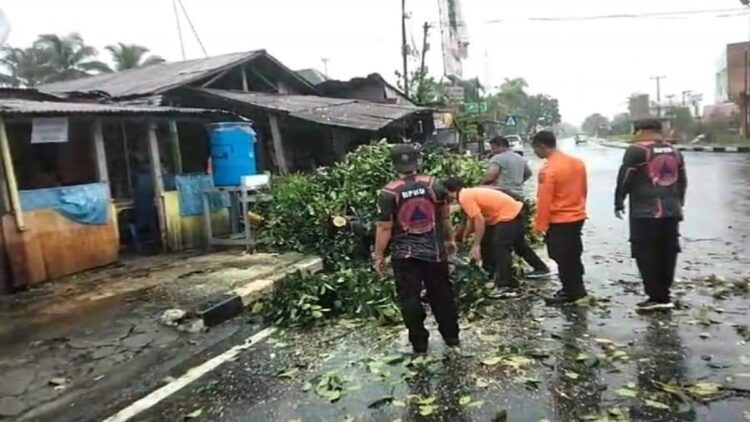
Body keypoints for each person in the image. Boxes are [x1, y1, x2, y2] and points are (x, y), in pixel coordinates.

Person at [374, 144, 459, 354]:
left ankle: (419, 344)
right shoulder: (434, 185)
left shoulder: (389, 192)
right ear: (417, 161)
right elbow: (445, 217)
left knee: (409, 298)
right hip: (435, 252)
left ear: (394, 165)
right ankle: (451, 337)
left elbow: (384, 228)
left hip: (404, 255)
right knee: (442, 294)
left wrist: (379, 256)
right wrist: (450, 240)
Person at [615, 119, 687, 311]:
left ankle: (656, 296)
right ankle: (664, 294)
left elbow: (625, 178)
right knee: (668, 251)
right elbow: (682, 182)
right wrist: (679, 205)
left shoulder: (636, 150)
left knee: (646, 252)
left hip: (644, 213)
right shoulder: (675, 151)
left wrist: (618, 201)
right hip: (670, 211)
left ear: (640, 131)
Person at [444, 180, 550, 297]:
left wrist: (476, 245)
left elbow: (479, 221)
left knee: (500, 247)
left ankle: (505, 285)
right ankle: (540, 268)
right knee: (516, 244)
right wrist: (464, 237)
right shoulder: (467, 194)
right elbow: (471, 220)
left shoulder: (465, 197)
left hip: (508, 216)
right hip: (513, 213)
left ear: (450, 192)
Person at [531, 131, 589, 305]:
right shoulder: (577, 163)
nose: (535, 152)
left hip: (559, 219)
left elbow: (544, 199)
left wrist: (540, 226)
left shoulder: (548, 170)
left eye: (535, 148)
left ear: (542, 146)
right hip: (576, 216)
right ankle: (576, 288)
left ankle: (572, 293)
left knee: (562, 257)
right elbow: (583, 190)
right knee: (573, 254)